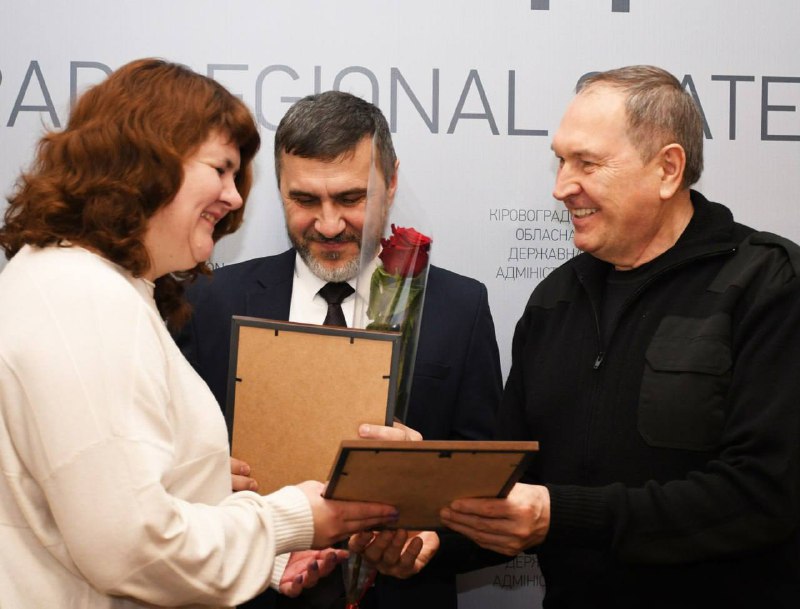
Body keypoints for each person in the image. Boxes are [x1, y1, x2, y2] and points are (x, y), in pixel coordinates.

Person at [0, 58, 401, 609]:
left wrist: (268, 556)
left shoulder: (89, 287)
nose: (235, 198)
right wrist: (292, 517)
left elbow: (121, 511)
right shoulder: (83, 296)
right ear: (149, 163)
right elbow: (132, 549)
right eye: (221, 169)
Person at [440, 65, 800, 608]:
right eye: (561, 160)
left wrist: (561, 515)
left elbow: (764, 494)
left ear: (668, 169)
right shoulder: (554, 301)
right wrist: (427, 535)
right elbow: (510, 484)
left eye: (587, 163)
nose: (561, 187)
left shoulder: (767, 284)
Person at [177, 91, 504, 608]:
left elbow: (493, 495)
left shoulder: (459, 308)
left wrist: (430, 533)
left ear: (391, 183)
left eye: (351, 198)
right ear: (278, 189)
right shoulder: (211, 302)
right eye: (305, 200)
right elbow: (159, 485)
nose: (328, 226)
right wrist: (204, 481)